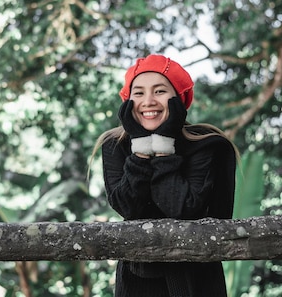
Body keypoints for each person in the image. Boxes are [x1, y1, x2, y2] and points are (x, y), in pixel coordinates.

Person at [91, 54, 239, 297]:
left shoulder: (210, 144)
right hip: (136, 279)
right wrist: (140, 148)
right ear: (128, 101)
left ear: (178, 99)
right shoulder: (115, 145)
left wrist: (163, 147)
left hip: (197, 279)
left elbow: (181, 207)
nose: (148, 101)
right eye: (138, 93)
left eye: (159, 91)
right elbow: (128, 206)